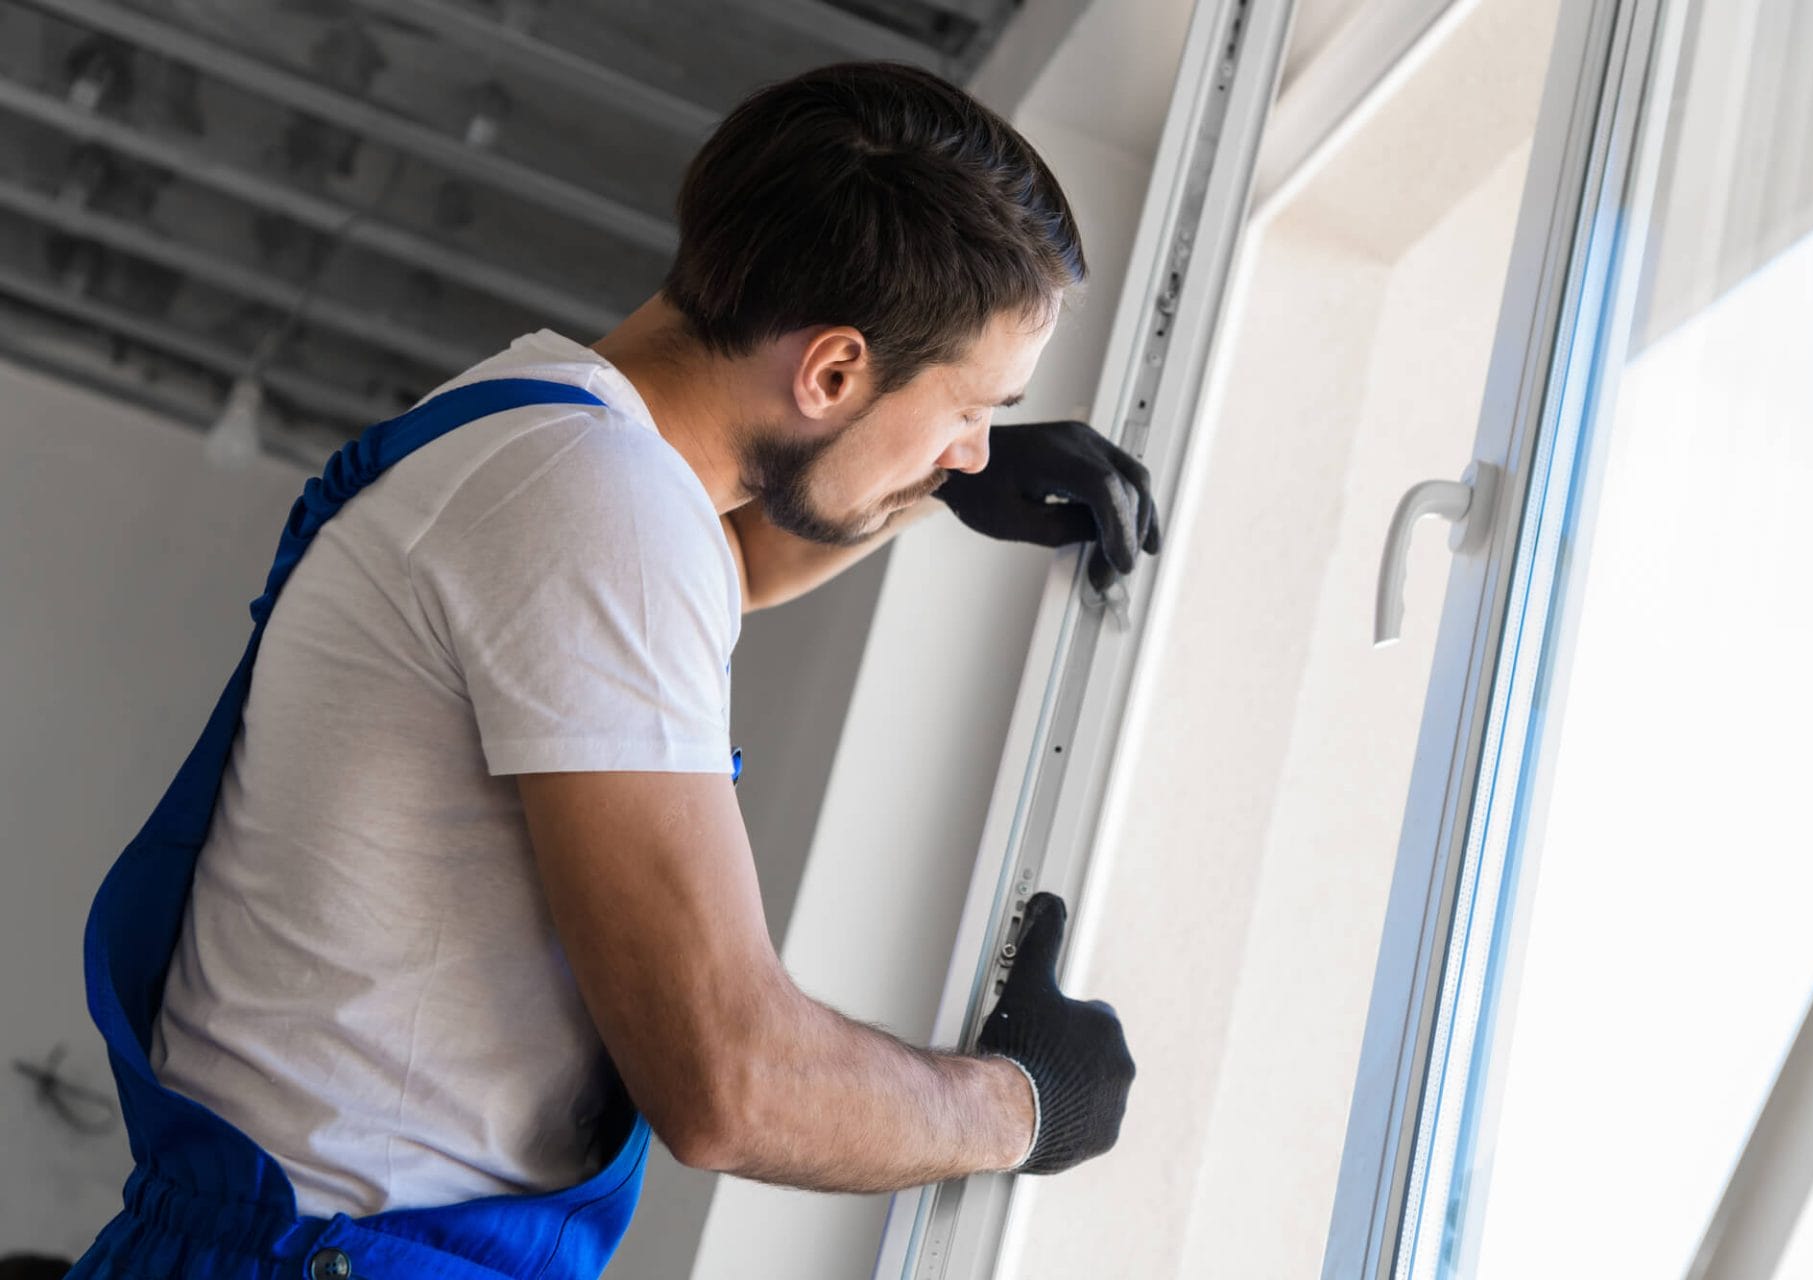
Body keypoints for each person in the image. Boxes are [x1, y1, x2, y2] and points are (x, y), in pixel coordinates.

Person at [69, 61, 1147, 1279]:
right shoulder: (600, 508)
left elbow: (716, 566)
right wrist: (1023, 1104)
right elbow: (727, 1077)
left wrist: (926, 476)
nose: (977, 444)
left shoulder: (538, 430)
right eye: (974, 404)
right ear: (834, 372)